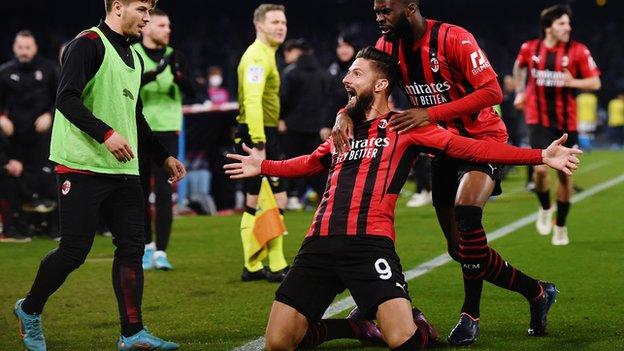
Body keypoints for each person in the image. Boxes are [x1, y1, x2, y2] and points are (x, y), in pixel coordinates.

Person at [224, 47, 581, 351]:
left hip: (370, 246)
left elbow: (471, 147)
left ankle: (413, 323)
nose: (346, 79)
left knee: (405, 341)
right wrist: (264, 165)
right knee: (279, 343)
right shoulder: (342, 130)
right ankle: (353, 327)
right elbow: (309, 162)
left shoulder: (405, 128)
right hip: (318, 245)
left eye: (356, 73)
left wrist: (539, 156)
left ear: (380, 85)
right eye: (348, 72)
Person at [332, 0, 559, 345]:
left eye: (385, 12)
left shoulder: (453, 38)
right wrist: (343, 114)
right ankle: (537, 292)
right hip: (441, 146)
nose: (379, 19)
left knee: (467, 212)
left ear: (410, 8)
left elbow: (492, 91)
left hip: (483, 139)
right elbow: (366, 88)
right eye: (376, 12)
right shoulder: (386, 47)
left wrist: (431, 114)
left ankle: (470, 315)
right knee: (460, 249)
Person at [12, 1, 186, 350]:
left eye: (151, 11)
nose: (148, 18)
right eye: (142, 9)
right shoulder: (87, 44)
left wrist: (163, 156)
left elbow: (134, 117)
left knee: (132, 248)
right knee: (74, 251)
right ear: (118, 7)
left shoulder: (135, 58)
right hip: (80, 165)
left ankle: (132, 334)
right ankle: (29, 309)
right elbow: (66, 99)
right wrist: (106, 134)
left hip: (122, 169)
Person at [513, 4, 601, 245]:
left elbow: (595, 83)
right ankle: (544, 208)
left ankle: (560, 226)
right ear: (548, 27)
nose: (568, 28)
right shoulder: (530, 48)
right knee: (540, 169)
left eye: (568, 23)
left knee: (564, 175)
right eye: (562, 23)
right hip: (537, 119)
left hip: (565, 123)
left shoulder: (578, 51)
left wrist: (574, 82)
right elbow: (519, 67)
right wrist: (520, 91)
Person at [133, 7, 195, 271]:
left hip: (168, 130)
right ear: (146, 27)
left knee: (163, 191)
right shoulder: (132, 53)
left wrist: (180, 77)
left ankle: (161, 252)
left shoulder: (174, 56)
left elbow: (193, 92)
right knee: (138, 192)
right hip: (138, 129)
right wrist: (157, 72)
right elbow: (131, 86)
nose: (167, 30)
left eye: (169, 26)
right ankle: (146, 246)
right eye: (161, 26)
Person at [235, 3, 289, 282]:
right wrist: (258, 142)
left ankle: (255, 265)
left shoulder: (266, 54)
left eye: (283, 22)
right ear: (259, 26)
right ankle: (272, 265)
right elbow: (253, 100)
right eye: (275, 22)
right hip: (257, 135)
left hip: (262, 132)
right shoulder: (257, 56)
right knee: (269, 199)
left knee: (261, 200)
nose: (281, 26)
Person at [0, 30, 59, 233]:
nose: (24, 52)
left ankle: (52, 226)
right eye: (20, 47)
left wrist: (50, 115)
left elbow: (61, 98)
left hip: (43, 137)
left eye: (28, 47)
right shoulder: (5, 72)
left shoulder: (49, 69)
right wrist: (1, 118)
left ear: (35, 48)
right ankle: (22, 225)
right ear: (14, 48)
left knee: (46, 179)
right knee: (19, 180)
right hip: (16, 137)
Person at [280, 39, 329, 211]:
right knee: (317, 163)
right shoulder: (323, 74)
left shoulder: (291, 73)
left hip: (294, 126)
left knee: (292, 162)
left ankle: (293, 196)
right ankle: (321, 195)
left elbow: (283, 99)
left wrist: (281, 119)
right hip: (317, 127)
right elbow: (327, 101)